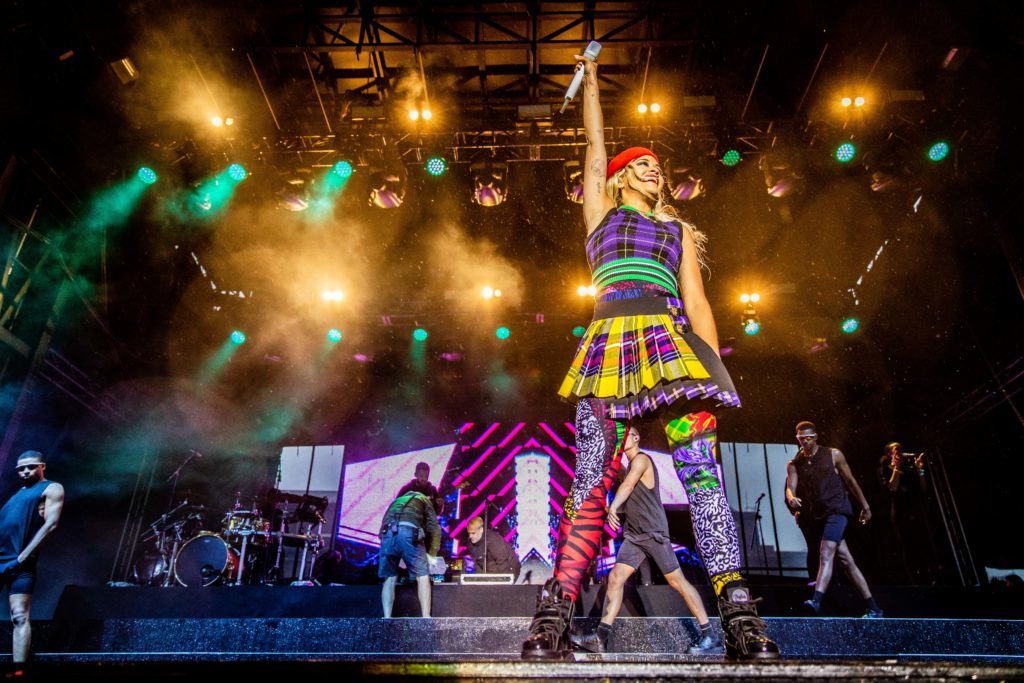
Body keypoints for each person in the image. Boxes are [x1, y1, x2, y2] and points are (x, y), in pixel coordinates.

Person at [521, 47, 778, 661]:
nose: (654, 171)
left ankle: (741, 617)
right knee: (590, 481)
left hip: (672, 350)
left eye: (658, 167)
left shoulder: (677, 231)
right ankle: (555, 615)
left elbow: (698, 301)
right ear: (620, 178)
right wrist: (589, 82)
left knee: (703, 476)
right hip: (610, 347)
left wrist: (712, 363)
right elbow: (594, 147)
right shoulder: (600, 215)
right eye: (643, 165)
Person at [571, 427, 722, 654]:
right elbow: (623, 490)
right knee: (615, 578)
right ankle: (600, 638)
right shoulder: (627, 468)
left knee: (677, 581)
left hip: (653, 532)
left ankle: (710, 636)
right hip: (634, 536)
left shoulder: (641, 459)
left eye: (628, 434)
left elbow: (628, 486)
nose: (624, 438)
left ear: (636, 437)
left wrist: (614, 506)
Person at [785, 422, 882, 618]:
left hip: (837, 510)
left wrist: (865, 506)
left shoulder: (833, 454)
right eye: (802, 439)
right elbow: (790, 487)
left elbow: (850, 480)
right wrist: (791, 498)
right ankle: (874, 608)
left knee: (826, 551)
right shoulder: (795, 464)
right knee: (846, 560)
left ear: (815, 437)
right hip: (819, 515)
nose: (806, 441)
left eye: (809, 437)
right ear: (798, 439)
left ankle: (816, 600)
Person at [0, 450, 65, 664]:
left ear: (42, 466)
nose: (25, 471)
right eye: (21, 469)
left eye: (31, 467)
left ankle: (19, 670)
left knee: (19, 615)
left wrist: (24, 556)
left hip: (21, 564)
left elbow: (51, 524)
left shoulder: (52, 488)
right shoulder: (16, 495)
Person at [878, 442, 936, 584]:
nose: (899, 451)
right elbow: (893, 487)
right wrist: (896, 467)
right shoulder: (885, 469)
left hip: (916, 509)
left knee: (924, 542)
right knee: (908, 546)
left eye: (900, 449)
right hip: (901, 511)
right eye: (896, 449)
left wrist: (920, 469)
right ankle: (915, 579)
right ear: (889, 453)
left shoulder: (909, 468)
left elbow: (923, 487)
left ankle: (931, 576)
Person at [378, 490, 440, 618]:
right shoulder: (424, 499)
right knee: (422, 576)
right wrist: (432, 554)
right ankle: (426, 618)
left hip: (387, 533)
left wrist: (395, 548)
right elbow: (434, 528)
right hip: (408, 532)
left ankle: (386, 618)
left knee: (389, 578)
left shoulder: (397, 501)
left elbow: (383, 525)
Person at [465, 516, 521, 580]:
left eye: (473, 533)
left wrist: (499, 580)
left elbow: (503, 562)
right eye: (469, 533)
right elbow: (477, 564)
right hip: (492, 570)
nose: (470, 536)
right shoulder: (470, 543)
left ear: (481, 530)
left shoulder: (493, 540)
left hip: (509, 568)